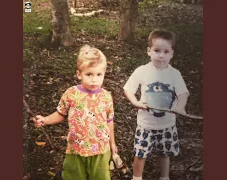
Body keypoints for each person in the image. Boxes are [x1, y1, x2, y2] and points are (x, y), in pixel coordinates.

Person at [33, 44, 117, 180]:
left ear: (104, 74)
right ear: (79, 74)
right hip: (75, 149)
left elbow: (109, 121)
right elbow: (60, 114)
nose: (94, 79)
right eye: (89, 74)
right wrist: (46, 119)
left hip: (100, 150)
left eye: (99, 74)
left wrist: (112, 144)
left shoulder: (106, 96)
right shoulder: (71, 94)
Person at [123, 29, 190, 180]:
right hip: (145, 124)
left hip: (167, 125)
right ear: (149, 51)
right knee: (140, 154)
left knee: (165, 154)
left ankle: (164, 177)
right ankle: (137, 177)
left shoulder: (174, 74)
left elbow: (183, 93)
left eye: (166, 52)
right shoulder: (142, 71)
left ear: (172, 53)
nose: (161, 55)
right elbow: (128, 88)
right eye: (157, 50)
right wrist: (136, 102)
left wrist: (180, 106)